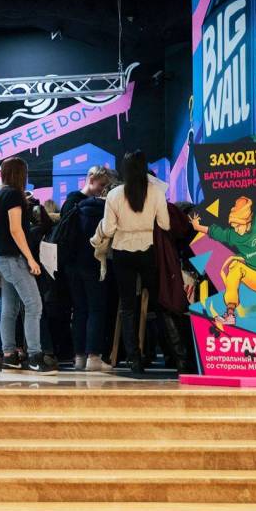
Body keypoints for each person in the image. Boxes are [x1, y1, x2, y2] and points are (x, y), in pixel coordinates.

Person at [190, 170, 256, 344]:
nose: (236, 229)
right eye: (234, 226)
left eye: (238, 225)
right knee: (236, 266)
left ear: (247, 221)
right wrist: (197, 226)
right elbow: (216, 232)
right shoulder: (235, 235)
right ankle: (230, 313)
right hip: (252, 275)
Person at [97, 151, 170, 377]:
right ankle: (175, 355)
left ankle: (134, 359)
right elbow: (165, 224)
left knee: (128, 307)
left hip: (122, 252)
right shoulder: (157, 192)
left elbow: (108, 229)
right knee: (159, 303)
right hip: (148, 251)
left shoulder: (114, 194)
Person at [0, 157, 55, 374]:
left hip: (2, 257)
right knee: (34, 305)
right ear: (21, 174)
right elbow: (16, 229)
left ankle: (9, 355)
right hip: (14, 258)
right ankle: (35, 356)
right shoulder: (13, 195)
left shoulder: (0, 195)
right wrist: (30, 258)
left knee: (10, 308)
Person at [58, 166, 116, 371]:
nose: (103, 189)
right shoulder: (103, 207)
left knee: (80, 309)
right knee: (96, 309)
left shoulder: (71, 202)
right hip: (93, 262)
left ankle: (79, 357)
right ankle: (93, 356)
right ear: (91, 178)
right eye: (102, 184)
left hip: (71, 264)